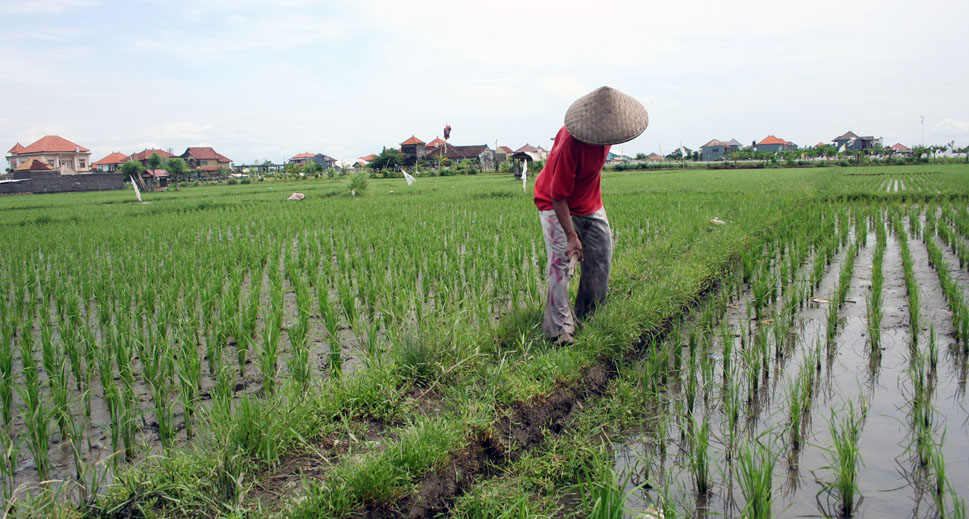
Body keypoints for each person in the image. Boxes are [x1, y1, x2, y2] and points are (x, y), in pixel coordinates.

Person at [533, 86, 648, 343]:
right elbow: (558, 196)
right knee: (560, 263)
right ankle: (560, 330)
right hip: (554, 202)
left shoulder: (607, 136)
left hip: (589, 202)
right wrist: (571, 236)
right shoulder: (569, 146)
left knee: (600, 256)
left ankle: (589, 315)